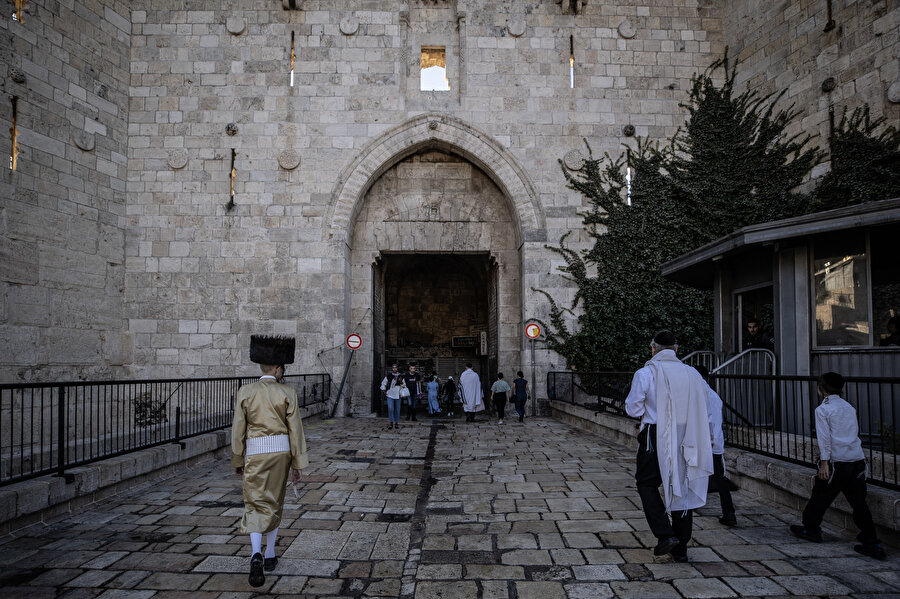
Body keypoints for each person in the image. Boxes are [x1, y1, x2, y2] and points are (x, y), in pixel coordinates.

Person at [625, 330, 713, 562]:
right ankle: (681, 548)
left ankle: (665, 535)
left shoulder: (646, 373)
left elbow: (632, 409)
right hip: (687, 433)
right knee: (680, 487)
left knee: (646, 483)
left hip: (655, 435)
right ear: (676, 350)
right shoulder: (692, 373)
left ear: (652, 349)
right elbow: (705, 402)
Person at [232, 335, 308, 587]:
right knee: (275, 501)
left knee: (254, 502)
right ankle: (271, 554)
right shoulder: (287, 392)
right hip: (280, 454)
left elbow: (238, 429)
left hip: (255, 453)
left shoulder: (245, 391)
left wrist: (237, 458)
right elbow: (295, 429)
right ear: (277, 369)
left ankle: (255, 553)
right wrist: (298, 463)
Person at [789, 372, 886, 560]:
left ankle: (811, 529)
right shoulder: (848, 407)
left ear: (821, 389)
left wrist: (824, 462)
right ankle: (872, 542)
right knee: (859, 504)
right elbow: (851, 433)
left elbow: (825, 438)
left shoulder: (822, 410)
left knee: (819, 497)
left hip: (837, 462)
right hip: (856, 461)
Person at [694, 365, 736, 526]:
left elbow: (709, 422)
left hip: (704, 442)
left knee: (692, 474)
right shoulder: (713, 396)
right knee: (720, 478)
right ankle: (729, 512)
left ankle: (690, 506)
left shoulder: (701, 395)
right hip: (714, 443)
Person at [380, 363, 406, 430]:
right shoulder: (388, 376)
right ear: (392, 368)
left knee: (397, 409)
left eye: (396, 367)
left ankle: (396, 422)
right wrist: (384, 390)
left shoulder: (400, 376)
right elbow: (383, 383)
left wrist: (401, 382)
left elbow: (404, 385)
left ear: (397, 368)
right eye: (393, 367)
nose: (394, 369)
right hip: (390, 394)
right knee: (390, 408)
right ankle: (391, 422)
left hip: (398, 394)